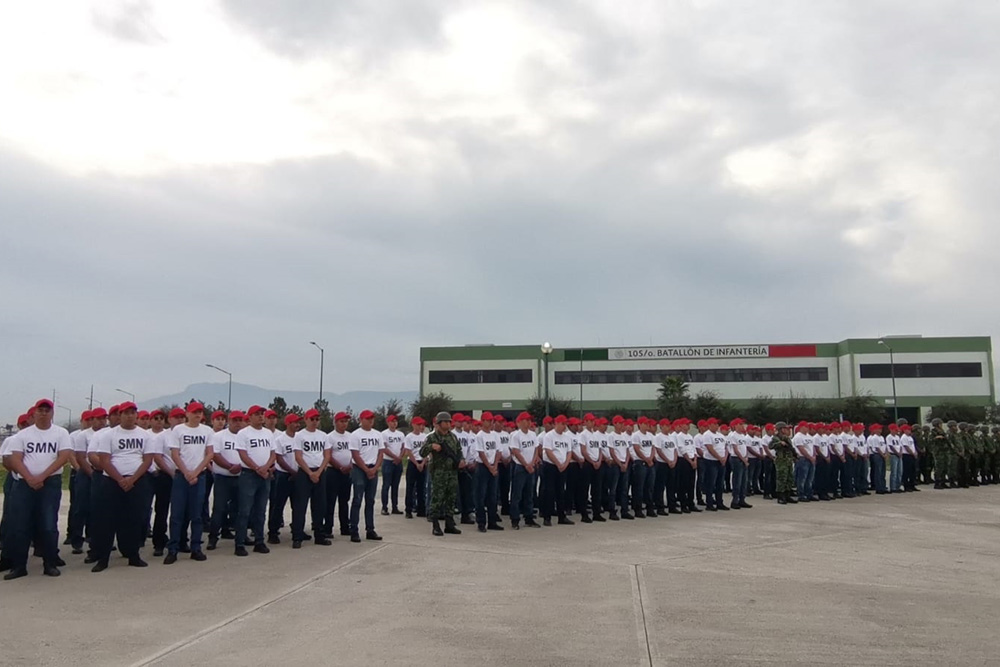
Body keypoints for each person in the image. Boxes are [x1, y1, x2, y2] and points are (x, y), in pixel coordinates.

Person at [2, 399, 74, 580]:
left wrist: (41, 477)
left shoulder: (61, 433)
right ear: (34, 413)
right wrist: (29, 478)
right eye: (40, 410)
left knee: (48, 524)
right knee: (21, 525)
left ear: (52, 414)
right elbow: (15, 459)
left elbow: (63, 457)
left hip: (50, 483)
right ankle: (19, 566)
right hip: (24, 484)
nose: (43, 413)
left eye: (47, 410)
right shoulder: (23, 435)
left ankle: (49, 563)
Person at [90, 402, 155, 571]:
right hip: (112, 482)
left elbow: (147, 460)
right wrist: (120, 479)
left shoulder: (145, 435)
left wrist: (132, 479)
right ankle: (103, 558)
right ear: (120, 415)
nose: (129, 416)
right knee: (107, 521)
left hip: (137, 482)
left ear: (136, 415)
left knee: (134, 519)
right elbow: (104, 460)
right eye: (125, 413)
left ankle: (132, 555)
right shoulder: (109, 435)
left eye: (132, 413)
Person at [164, 402, 214, 564]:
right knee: (177, 514)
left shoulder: (207, 431)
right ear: (188, 414)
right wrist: (186, 472)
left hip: (199, 476)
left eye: (200, 412)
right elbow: (175, 454)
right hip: (181, 476)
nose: (197, 415)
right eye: (194, 412)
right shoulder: (178, 430)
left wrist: (196, 472)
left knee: (197, 514)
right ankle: (173, 549)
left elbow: (209, 454)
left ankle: (196, 548)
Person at [234, 405, 275, 557]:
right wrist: (257, 468)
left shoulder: (268, 434)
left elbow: (273, 453)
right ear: (250, 417)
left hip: (264, 475)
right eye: (257, 414)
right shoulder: (244, 433)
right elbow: (243, 454)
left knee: (261, 510)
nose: (260, 417)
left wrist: (266, 467)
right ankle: (239, 543)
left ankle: (259, 541)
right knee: (244, 510)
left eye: (262, 414)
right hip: (249, 474)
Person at [291, 408, 332, 547]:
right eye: (312, 419)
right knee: (300, 505)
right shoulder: (300, 436)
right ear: (306, 419)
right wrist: (310, 473)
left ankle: (319, 535)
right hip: (304, 472)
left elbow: (327, 455)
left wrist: (319, 472)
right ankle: (297, 536)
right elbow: (298, 456)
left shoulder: (323, 436)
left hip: (320, 472)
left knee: (320, 505)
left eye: (317, 419)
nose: (314, 422)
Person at [420, 412, 464, 536]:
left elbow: (459, 450)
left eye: (450, 422)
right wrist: (431, 447)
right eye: (446, 422)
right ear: (439, 424)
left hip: (452, 472)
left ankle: (449, 524)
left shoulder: (453, 437)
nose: (449, 424)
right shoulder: (432, 437)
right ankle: (435, 524)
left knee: (451, 498)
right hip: (439, 472)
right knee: (437, 498)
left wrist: (461, 460)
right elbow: (422, 452)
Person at [206, 411, 244, 551]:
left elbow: (249, 454)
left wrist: (240, 466)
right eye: (235, 420)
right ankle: (213, 537)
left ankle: (241, 535)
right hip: (223, 477)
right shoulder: (218, 436)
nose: (238, 423)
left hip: (241, 476)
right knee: (219, 508)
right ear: (230, 421)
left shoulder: (245, 436)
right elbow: (215, 454)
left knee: (241, 509)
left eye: (240, 420)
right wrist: (229, 466)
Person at [349, 409, 384, 542]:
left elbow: (381, 452)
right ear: (361, 420)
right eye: (368, 418)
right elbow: (355, 454)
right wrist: (366, 469)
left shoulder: (377, 434)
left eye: (372, 418)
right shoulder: (355, 435)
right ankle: (354, 530)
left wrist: (375, 468)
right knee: (357, 499)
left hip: (373, 468)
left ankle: (370, 529)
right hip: (359, 469)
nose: (370, 421)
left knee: (370, 500)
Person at [269, 414, 301, 544]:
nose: (298, 425)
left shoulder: (300, 438)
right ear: (288, 423)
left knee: (298, 505)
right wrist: (291, 471)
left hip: (298, 475)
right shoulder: (280, 439)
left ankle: (297, 530)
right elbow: (279, 458)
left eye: (298, 423)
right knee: (278, 505)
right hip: (283, 475)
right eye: (295, 422)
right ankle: (273, 532)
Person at [508, 412, 541, 529]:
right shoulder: (516, 435)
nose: (528, 423)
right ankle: (515, 519)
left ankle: (529, 517)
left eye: (529, 420)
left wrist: (532, 462)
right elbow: (516, 451)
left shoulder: (532, 434)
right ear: (520, 422)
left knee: (529, 493)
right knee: (517, 494)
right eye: (526, 420)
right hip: (520, 467)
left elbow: (536, 448)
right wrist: (526, 464)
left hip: (530, 467)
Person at [541, 415, 575, 526]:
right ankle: (547, 517)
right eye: (562, 424)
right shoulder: (549, 436)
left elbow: (569, 452)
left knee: (561, 492)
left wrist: (565, 464)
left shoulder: (566, 438)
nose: (564, 426)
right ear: (557, 423)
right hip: (550, 466)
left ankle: (562, 516)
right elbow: (548, 451)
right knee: (549, 492)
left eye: (565, 424)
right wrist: (558, 463)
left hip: (563, 467)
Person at [324, 412, 354, 537]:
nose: (344, 424)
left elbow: (354, 452)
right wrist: (339, 466)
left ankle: (345, 527)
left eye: (346, 421)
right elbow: (328, 455)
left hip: (347, 472)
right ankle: (328, 528)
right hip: (333, 472)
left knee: (344, 500)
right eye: (341, 421)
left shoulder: (350, 436)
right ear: (335, 422)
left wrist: (350, 465)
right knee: (330, 501)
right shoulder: (330, 437)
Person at [473, 415, 504, 532]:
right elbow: (481, 453)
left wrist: (495, 466)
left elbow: (498, 451)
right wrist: (490, 467)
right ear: (483, 421)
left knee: (493, 495)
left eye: (492, 421)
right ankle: (481, 521)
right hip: (483, 467)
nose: (491, 423)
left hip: (493, 466)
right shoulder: (479, 436)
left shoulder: (495, 435)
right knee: (480, 495)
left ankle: (492, 521)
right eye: (489, 421)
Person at [629, 418, 657, 518]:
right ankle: (638, 509)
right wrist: (645, 459)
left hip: (650, 462)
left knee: (649, 487)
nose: (647, 425)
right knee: (639, 487)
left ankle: (650, 508)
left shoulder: (650, 436)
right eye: (645, 423)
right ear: (640, 424)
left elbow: (653, 448)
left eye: (648, 423)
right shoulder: (636, 435)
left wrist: (651, 458)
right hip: (640, 462)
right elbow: (637, 449)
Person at [380, 414, 405, 516]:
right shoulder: (384, 434)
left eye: (395, 421)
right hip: (388, 461)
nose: (394, 423)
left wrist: (400, 457)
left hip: (398, 462)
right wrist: (395, 457)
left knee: (396, 485)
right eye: (392, 421)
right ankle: (384, 507)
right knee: (386, 485)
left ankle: (395, 506)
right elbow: (384, 448)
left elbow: (403, 447)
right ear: (388, 422)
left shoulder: (401, 434)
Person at [403, 417, 428, 519]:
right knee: (410, 487)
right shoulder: (409, 437)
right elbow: (408, 451)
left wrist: (423, 462)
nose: (420, 427)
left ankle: (421, 509)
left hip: (422, 462)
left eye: (422, 425)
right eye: (418, 425)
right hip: (413, 462)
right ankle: (408, 509)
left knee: (421, 487)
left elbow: (427, 451)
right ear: (413, 425)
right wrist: (416, 463)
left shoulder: (425, 437)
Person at [770, 422, 798, 505]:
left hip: (788, 460)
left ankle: (787, 495)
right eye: (786, 429)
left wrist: (795, 456)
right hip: (781, 461)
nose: (788, 430)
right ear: (781, 429)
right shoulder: (776, 438)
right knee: (782, 478)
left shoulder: (787, 438)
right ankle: (780, 496)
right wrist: (779, 443)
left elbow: (791, 448)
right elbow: (770, 446)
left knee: (789, 478)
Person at [867, 424, 888, 494]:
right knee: (878, 472)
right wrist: (882, 454)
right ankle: (878, 488)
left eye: (880, 429)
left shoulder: (881, 437)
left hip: (882, 455)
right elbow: (877, 448)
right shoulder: (874, 438)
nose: (880, 430)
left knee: (882, 472)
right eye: (878, 429)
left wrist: (885, 454)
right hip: (877, 455)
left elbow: (884, 446)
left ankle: (883, 486)